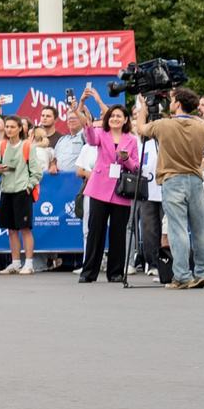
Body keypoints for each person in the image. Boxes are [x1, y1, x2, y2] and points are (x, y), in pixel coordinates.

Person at [135, 86, 204, 289]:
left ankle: (182, 275)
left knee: (177, 229)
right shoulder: (199, 126)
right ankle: (202, 272)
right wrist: (200, 121)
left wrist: (143, 107)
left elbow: (141, 129)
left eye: (172, 101)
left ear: (177, 104)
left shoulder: (164, 125)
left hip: (172, 179)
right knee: (200, 229)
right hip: (196, 180)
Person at [77, 103, 139, 284]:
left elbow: (136, 167)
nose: (115, 119)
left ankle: (115, 272)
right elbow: (91, 140)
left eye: (119, 116)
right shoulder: (101, 133)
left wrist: (126, 158)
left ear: (126, 120)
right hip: (99, 188)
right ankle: (89, 272)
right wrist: (88, 123)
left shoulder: (132, 140)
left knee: (118, 233)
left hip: (121, 190)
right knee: (95, 231)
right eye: (112, 116)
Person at [0, 115, 42, 273]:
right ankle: (15, 263)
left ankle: (28, 264)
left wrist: (29, 187)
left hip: (22, 192)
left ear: (20, 128)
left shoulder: (28, 146)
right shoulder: (1, 146)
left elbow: (37, 172)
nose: (9, 129)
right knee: (11, 230)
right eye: (7, 126)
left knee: (25, 229)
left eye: (12, 127)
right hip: (6, 191)